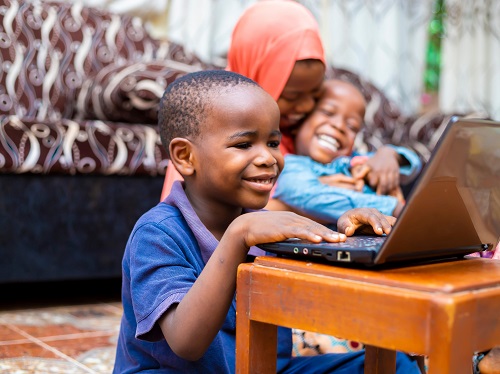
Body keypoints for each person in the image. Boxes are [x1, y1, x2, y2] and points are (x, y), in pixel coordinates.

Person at [113, 70, 421, 373]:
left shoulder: (265, 226)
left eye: (273, 143)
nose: (268, 158)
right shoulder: (157, 234)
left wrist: (347, 235)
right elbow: (187, 343)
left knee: (393, 365)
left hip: (259, 367)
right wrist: (238, 236)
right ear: (185, 157)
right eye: (244, 144)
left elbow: (317, 296)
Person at [160, 0, 327, 202]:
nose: (306, 106)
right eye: (292, 96)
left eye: (315, 95)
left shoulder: (309, 132)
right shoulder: (207, 131)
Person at [273, 79, 422, 222]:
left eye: (352, 126)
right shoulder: (293, 166)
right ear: (299, 123)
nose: (338, 126)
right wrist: (392, 208)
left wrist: (390, 155)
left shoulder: (355, 160)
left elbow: (412, 167)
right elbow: (306, 195)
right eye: (328, 112)